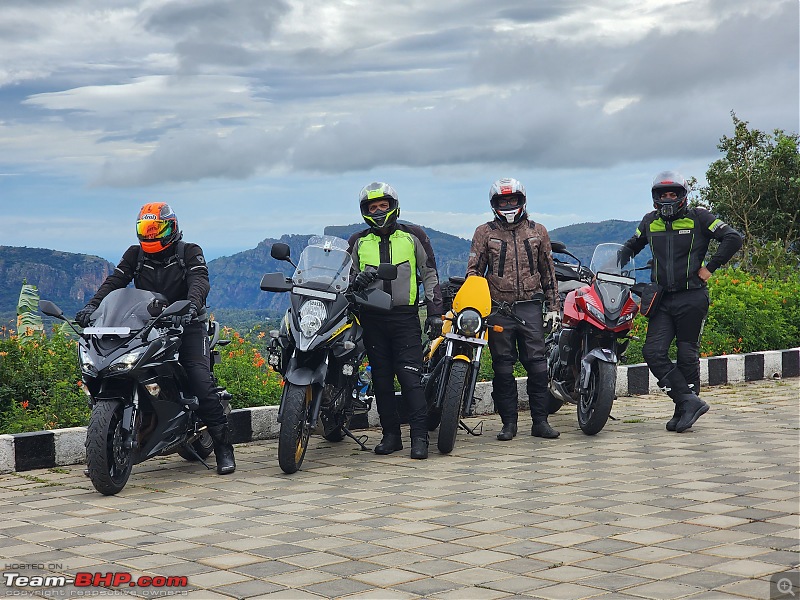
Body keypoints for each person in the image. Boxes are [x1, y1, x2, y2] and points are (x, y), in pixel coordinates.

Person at [74, 202, 236, 474]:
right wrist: (93, 306)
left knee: (199, 380)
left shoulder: (189, 252)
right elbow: (115, 281)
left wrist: (191, 306)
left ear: (171, 228)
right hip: (145, 325)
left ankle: (223, 448)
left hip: (187, 324)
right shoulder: (135, 255)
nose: (150, 235)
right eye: (146, 229)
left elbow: (200, 281)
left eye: (155, 229)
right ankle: (104, 452)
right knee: (110, 368)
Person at [619, 170, 742, 433]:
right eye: (662, 194)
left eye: (673, 193)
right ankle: (688, 401)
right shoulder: (649, 221)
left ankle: (684, 409)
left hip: (692, 296)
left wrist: (711, 267)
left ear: (683, 195)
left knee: (687, 355)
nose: (667, 198)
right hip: (662, 299)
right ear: (655, 198)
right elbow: (630, 247)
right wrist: (607, 268)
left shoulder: (699, 217)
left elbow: (733, 237)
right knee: (652, 352)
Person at [348, 182, 444, 460]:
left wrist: (435, 313)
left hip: (405, 318)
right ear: (364, 211)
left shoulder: (414, 236)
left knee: (410, 378)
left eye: (383, 205)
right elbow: (343, 278)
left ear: (393, 206)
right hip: (371, 319)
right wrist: (358, 281)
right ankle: (391, 436)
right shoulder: (358, 241)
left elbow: (430, 274)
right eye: (372, 207)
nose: (378, 211)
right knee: (381, 379)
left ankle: (419, 437)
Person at [466, 178, 561, 441]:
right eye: (502, 201)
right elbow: (474, 272)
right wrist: (475, 308)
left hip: (531, 306)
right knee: (503, 368)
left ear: (522, 200)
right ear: (494, 204)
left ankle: (540, 422)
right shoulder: (484, 232)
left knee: (539, 367)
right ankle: (508, 424)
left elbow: (548, 272)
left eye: (512, 200)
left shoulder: (538, 230)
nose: (508, 205)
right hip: (498, 308)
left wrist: (554, 307)